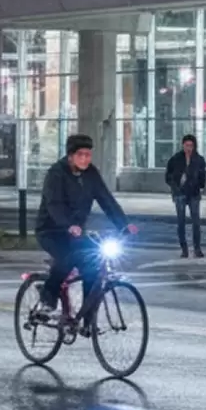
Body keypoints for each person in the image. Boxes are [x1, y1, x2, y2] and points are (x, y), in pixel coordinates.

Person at [35, 134, 137, 328]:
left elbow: (106, 200)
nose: (85, 159)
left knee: (93, 264)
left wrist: (124, 225)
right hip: (51, 230)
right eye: (80, 155)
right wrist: (67, 225)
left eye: (88, 155)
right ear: (71, 156)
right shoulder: (56, 173)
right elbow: (54, 204)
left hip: (77, 232)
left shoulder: (91, 174)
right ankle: (47, 298)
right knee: (68, 258)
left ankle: (88, 317)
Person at [164, 134, 206, 258]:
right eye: (186, 145)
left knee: (196, 222)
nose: (189, 148)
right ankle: (184, 249)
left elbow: (202, 177)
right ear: (183, 145)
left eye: (191, 146)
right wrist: (175, 186)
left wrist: (199, 184)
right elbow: (168, 176)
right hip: (180, 193)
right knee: (181, 221)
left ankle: (197, 248)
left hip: (193, 193)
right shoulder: (176, 159)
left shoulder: (198, 160)